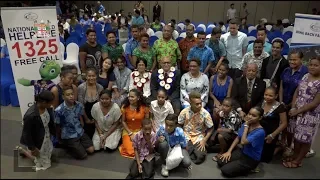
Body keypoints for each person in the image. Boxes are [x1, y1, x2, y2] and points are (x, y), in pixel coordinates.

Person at [283, 56, 320, 168]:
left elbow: (315, 103)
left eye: (316, 65)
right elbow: (297, 92)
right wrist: (293, 107)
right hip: (296, 111)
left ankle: (298, 161)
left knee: (305, 139)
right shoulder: (305, 76)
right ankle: (295, 155)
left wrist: (298, 111)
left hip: (310, 115)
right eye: (311, 64)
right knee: (296, 136)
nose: (312, 67)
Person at [217, 106, 265, 178]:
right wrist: (229, 151)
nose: (250, 117)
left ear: (260, 118)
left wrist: (246, 126)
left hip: (251, 158)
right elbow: (238, 137)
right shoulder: (246, 124)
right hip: (242, 151)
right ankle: (237, 164)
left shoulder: (260, 132)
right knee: (220, 162)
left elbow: (243, 142)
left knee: (225, 170)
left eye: (254, 116)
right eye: (249, 114)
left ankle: (251, 168)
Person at [279, 51, 308, 153]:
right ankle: (282, 143)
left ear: (301, 60)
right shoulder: (286, 70)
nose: (292, 62)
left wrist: (292, 104)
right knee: (283, 124)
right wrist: (281, 101)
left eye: (295, 59)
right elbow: (281, 87)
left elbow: (301, 91)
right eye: (290, 59)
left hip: (296, 105)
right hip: (283, 103)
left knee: (292, 128)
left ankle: (290, 147)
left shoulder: (305, 72)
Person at [55, 86, 95, 159]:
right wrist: (59, 139)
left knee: (91, 150)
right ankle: (68, 145)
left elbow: (81, 115)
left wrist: (83, 123)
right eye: (68, 95)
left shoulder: (79, 105)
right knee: (83, 156)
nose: (71, 96)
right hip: (69, 135)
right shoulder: (59, 110)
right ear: (63, 97)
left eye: (72, 94)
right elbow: (58, 126)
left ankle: (77, 145)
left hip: (79, 131)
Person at [20, 90, 56, 171]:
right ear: (43, 102)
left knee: (48, 151)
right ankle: (26, 152)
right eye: (50, 102)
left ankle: (28, 152)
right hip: (37, 140)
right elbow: (26, 133)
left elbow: (50, 122)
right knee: (43, 162)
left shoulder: (47, 108)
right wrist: (32, 148)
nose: (51, 104)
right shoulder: (30, 115)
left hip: (46, 135)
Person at [178, 91, 214, 165]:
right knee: (184, 153)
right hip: (186, 135)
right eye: (197, 104)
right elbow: (179, 125)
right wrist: (181, 137)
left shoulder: (205, 113)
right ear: (191, 103)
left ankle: (192, 150)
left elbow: (211, 128)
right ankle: (190, 150)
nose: (200, 105)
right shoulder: (184, 112)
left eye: (200, 103)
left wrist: (204, 140)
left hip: (199, 137)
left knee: (200, 157)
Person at [260, 86, 287, 163]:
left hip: (271, 134)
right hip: (259, 131)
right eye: (266, 95)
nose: (267, 97)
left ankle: (278, 148)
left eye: (270, 96)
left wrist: (273, 135)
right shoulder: (262, 102)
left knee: (264, 159)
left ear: (276, 96)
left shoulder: (280, 107)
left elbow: (284, 123)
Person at [119, 89, 149, 158]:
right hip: (128, 131)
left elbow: (146, 122)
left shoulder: (145, 107)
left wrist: (139, 133)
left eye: (132, 97)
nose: (130, 98)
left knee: (141, 149)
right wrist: (130, 133)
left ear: (138, 98)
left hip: (141, 131)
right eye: (129, 96)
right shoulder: (124, 107)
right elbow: (123, 121)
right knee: (130, 151)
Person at [78, 68, 104, 139]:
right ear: (86, 76)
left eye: (93, 76)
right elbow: (81, 105)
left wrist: (96, 119)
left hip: (97, 116)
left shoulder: (100, 87)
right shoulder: (81, 87)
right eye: (89, 76)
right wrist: (86, 119)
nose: (91, 78)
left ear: (96, 76)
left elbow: (101, 105)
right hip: (85, 116)